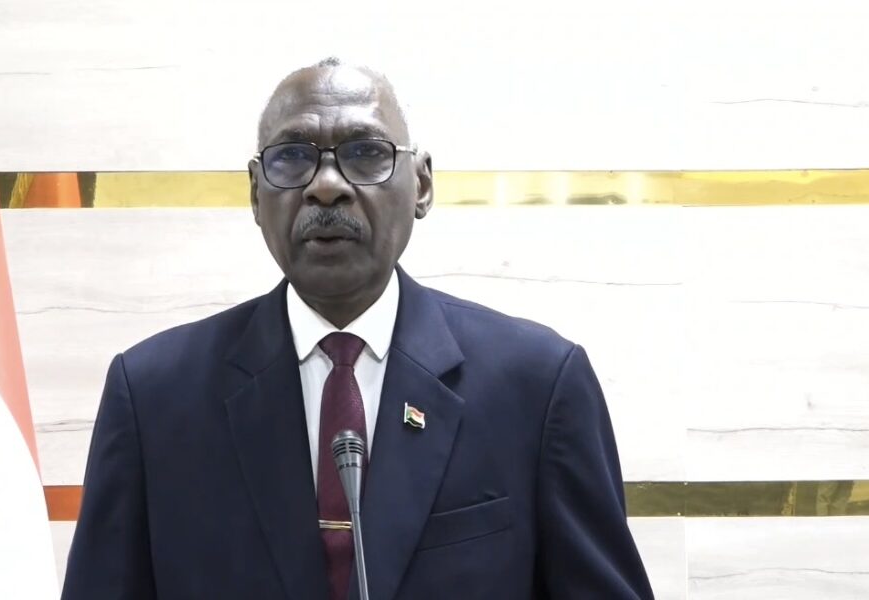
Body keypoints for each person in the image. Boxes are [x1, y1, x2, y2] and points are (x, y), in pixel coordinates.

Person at [61, 57, 654, 600]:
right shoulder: (154, 397)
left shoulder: (537, 387)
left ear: (421, 184)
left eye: (366, 152)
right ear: (256, 194)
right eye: (292, 157)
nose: (327, 185)